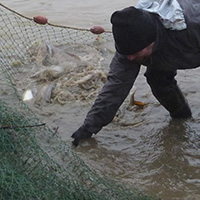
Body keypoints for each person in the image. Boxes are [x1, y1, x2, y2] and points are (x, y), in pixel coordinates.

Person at [71, 0, 200, 147]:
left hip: (189, 36)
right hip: (167, 51)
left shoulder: (193, 26)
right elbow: (115, 87)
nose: (130, 58)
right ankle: (182, 118)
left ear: (151, 41)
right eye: (127, 54)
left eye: (134, 53)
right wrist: (89, 127)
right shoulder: (128, 46)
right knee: (157, 79)